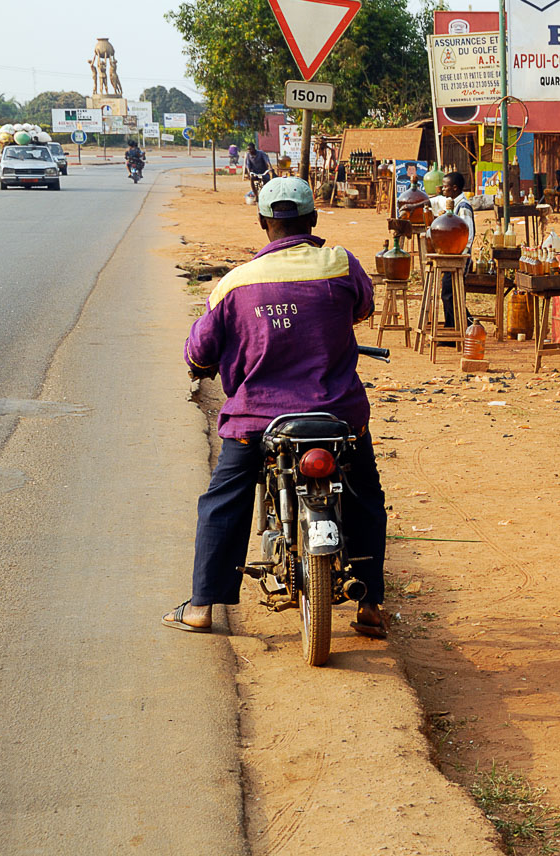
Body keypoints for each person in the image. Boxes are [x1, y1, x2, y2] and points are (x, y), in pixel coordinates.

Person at [163, 177, 388, 638]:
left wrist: (200, 364)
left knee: (223, 500)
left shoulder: (234, 284)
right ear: (313, 219)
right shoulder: (342, 264)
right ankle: (370, 606)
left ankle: (203, 605)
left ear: (265, 222)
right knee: (365, 496)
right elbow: (362, 309)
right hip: (339, 416)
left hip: (258, 419)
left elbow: (200, 350)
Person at [429, 171, 476, 329]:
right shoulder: (454, 206)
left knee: (450, 295)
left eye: (446, 187)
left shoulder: (463, 207)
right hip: (452, 257)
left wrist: (461, 253)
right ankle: (452, 329)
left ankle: (469, 327)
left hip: (459, 258)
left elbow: (467, 233)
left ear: (455, 188)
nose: (443, 189)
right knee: (449, 295)